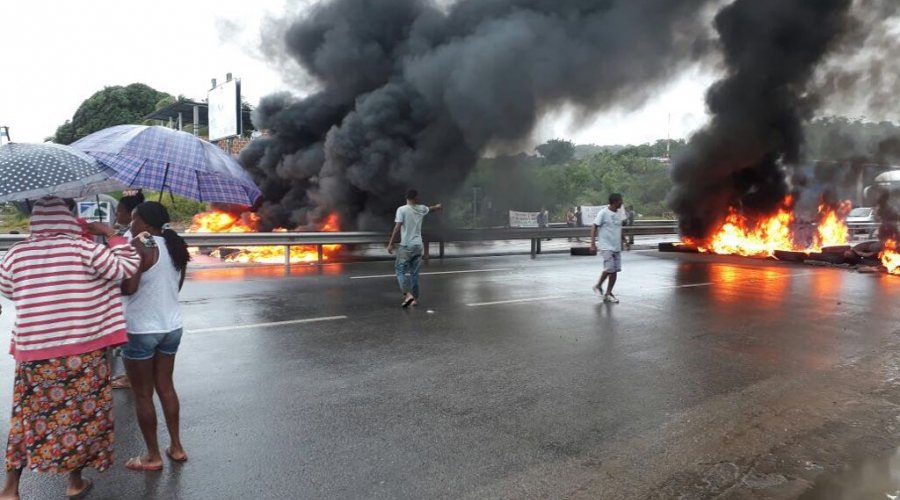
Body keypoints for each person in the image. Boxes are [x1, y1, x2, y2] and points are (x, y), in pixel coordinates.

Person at [0, 197, 141, 499]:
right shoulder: (85, 250)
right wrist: (110, 232)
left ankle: (10, 489)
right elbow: (126, 267)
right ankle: (74, 483)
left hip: (34, 355)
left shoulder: (17, 254)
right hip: (83, 354)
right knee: (81, 416)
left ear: (36, 219)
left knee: (26, 418)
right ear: (69, 217)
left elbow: (8, 289)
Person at [119, 202, 191, 471]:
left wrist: (117, 278)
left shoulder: (140, 245)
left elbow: (129, 288)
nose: (131, 224)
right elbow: (178, 285)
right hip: (171, 327)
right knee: (166, 387)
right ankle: (176, 446)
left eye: (134, 219)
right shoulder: (175, 244)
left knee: (142, 395)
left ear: (146, 223)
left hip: (141, 328)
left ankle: (152, 456)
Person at [110, 189, 146, 390]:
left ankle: (130, 378)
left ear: (132, 214)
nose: (116, 216)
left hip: (132, 307)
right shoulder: (153, 236)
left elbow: (126, 279)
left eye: (119, 211)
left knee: (128, 344)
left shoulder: (130, 237)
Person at [386, 189, 442, 308]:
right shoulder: (421, 208)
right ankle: (415, 299)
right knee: (414, 274)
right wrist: (437, 206)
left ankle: (408, 295)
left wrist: (390, 243)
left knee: (399, 270)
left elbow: (397, 228)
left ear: (406, 198)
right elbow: (430, 209)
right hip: (418, 245)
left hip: (406, 245)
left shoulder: (401, 210)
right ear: (415, 198)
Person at [590, 193, 626, 303]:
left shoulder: (620, 213)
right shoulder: (603, 213)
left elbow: (618, 228)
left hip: (616, 246)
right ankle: (598, 285)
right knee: (610, 268)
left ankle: (608, 293)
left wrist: (625, 241)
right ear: (615, 202)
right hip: (606, 246)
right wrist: (592, 243)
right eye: (621, 201)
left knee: (614, 271)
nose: (622, 203)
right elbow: (594, 226)